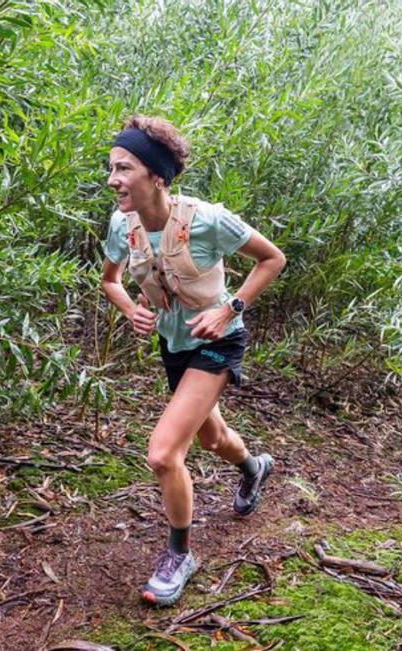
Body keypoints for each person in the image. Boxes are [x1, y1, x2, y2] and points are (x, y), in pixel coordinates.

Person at [100, 116, 286, 606]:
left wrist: (230, 308)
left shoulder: (205, 219)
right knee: (211, 436)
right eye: (111, 168)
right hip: (173, 345)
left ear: (156, 176)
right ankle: (253, 467)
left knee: (164, 453)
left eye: (124, 168)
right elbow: (110, 280)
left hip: (218, 343)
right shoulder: (123, 226)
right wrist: (130, 309)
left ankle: (179, 554)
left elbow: (272, 259)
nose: (112, 179)